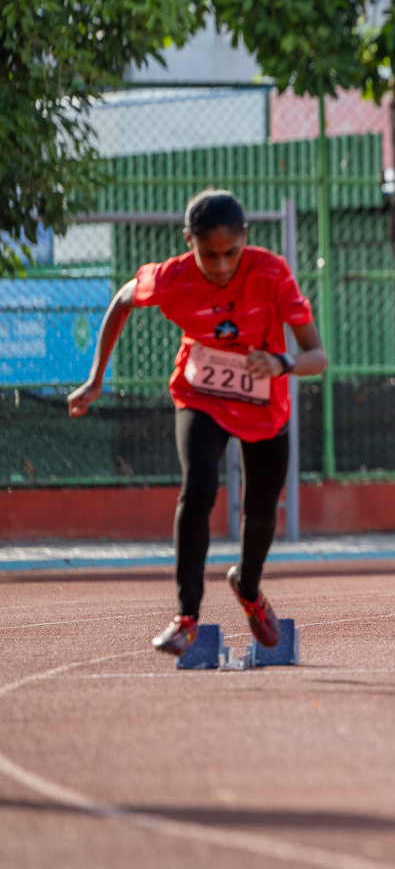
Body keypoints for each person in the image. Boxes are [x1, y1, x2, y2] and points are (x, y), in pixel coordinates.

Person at [66, 190, 327, 656]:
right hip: (201, 394)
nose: (222, 266)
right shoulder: (172, 277)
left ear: (245, 239)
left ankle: (248, 589)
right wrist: (94, 379)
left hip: (264, 405)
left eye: (231, 253)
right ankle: (186, 617)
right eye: (208, 254)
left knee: (261, 510)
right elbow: (121, 303)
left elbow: (318, 356)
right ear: (189, 241)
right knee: (199, 488)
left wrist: (282, 361)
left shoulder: (270, 271)